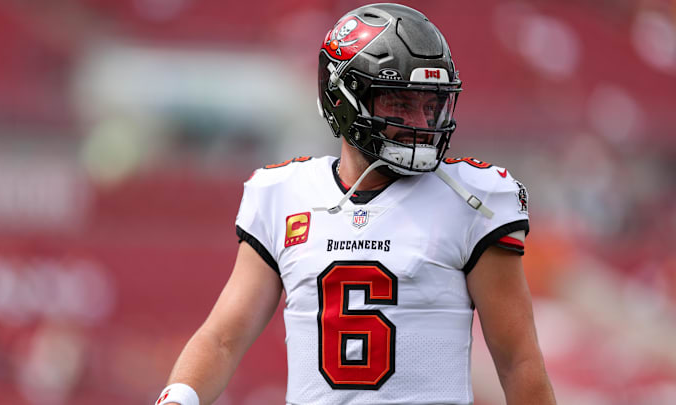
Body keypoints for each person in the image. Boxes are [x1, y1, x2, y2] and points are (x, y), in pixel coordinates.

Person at [155, 3, 557, 405]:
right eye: (400, 103)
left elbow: (518, 363)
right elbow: (223, 338)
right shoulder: (282, 194)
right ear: (342, 98)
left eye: (430, 104)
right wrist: (178, 398)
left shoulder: (471, 200)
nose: (420, 121)